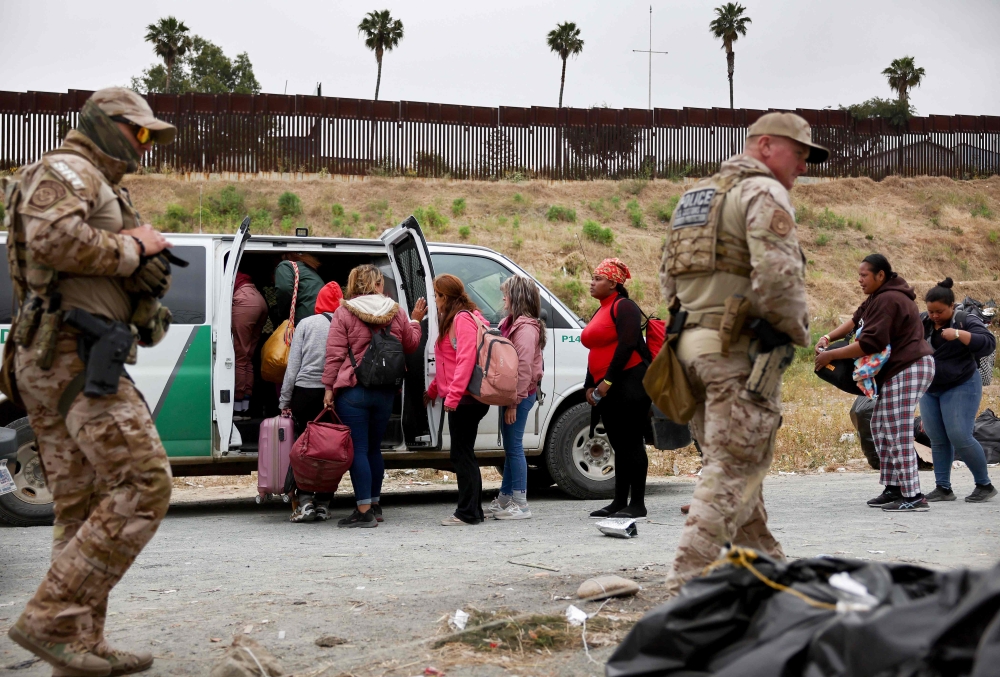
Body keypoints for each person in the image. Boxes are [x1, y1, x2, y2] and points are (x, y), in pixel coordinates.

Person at [4, 87, 176, 676]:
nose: (144, 147)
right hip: (67, 355)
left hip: (71, 352)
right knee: (145, 482)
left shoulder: (100, 184)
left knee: (82, 506)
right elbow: (53, 237)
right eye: (140, 133)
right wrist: (132, 249)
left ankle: (76, 646)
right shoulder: (65, 169)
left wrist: (144, 296)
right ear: (105, 126)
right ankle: (51, 620)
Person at [659, 112, 823, 597]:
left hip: (690, 346)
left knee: (736, 461)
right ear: (767, 146)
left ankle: (771, 573)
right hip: (737, 349)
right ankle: (684, 586)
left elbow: (669, 276)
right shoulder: (763, 193)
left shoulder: (696, 196)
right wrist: (793, 331)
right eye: (800, 154)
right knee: (731, 468)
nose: (804, 167)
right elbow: (777, 275)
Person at [816, 254, 935, 511]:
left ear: (880, 275)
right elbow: (854, 321)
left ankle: (913, 494)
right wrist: (827, 337)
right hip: (899, 370)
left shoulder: (889, 299)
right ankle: (894, 487)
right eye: (858, 275)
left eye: (864, 275)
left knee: (896, 429)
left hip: (910, 366)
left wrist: (831, 354)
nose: (859, 280)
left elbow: (871, 343)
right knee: (880, 425)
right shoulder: (877, 298)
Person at [323, 265, 425, 527]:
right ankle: (375, 504)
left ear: (354, 284)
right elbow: (411, 345)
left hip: (354, 390)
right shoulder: (396, 310)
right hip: (386, 391)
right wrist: (415, 321)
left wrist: (328, 388)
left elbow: (334, 354)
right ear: (379, 284)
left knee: (358, 449)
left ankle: (364, 510)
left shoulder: (344, 311)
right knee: (374, 449)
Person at [581, 258, 652, 520]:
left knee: (632, 443)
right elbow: (595, 350)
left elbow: (626, 345)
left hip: (630, 382)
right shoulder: (601, 310)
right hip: (607, 386)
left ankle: (638, 504)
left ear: (613, 283)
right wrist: (589, 385)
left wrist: (607, 381)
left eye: (598, 278)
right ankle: (619, 501)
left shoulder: (625, 307)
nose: (592, 282)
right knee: (619, 444)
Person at [920, 278, 997, 503]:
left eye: (940, 311)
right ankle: (943, 488)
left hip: (962, 384)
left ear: (952, 306)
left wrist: (957, 335)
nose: (934, 316)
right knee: (937, 438)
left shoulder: (965, 319)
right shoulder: (923, 321)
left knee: (960, 435)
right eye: (930, 311)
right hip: (930, 387)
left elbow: (988, 342)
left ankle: (984, 484)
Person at [423, 274, 492, 526]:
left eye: (436, 295)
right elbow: (447, 364)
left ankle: (467, 513)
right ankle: (475, 510)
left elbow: (465, 361)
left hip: (465, 399)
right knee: (464, 454)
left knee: (462, 455)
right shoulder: (457, 317)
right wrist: (433, 391)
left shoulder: (461, 319)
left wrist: (451, 397)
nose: (434, 300)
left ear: (445, 297)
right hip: (463, 396)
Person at [280, 281, 344, 522]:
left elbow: (292, 367)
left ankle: (305, 501)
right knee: (330, 449)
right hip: (335, 394)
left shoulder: (306, 324)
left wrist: (285, 400)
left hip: (305, 392)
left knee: (306, 450)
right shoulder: (345, 322)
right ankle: (325, 503)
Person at [489, 276, 545, 520]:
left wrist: (513, 402)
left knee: (514, 448)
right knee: (511, 447)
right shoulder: (512, 323)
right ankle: (504, 499)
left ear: (517, 297)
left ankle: (521, 504)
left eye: (507, 294)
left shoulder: (525, 329)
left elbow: (523, 370)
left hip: (519, 396)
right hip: (514, 395)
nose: (504, 298)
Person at [232, 266, 268, 419]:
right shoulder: (240, 273)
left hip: (245, 301)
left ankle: (237, 407)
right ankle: (245, 406)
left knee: (239, 355)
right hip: (258, 299)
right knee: (247, 357)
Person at [273, 252, 324, 327]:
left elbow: (284, 290)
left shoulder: (285, 265)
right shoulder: (309, 269)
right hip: (320, 317)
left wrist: (282, 315)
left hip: (303, 318)